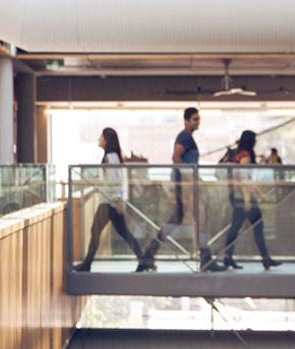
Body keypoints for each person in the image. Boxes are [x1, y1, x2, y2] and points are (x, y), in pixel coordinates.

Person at [138, 107, 223, 273]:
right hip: (186, 187)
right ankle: (204, 257)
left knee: (180, 219)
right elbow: (176, 158)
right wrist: (190, 181)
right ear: (186, 121)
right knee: (199, 219)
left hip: (187, 185)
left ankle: (150, 252)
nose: (197, 122)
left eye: (198, 119)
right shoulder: (184, 137)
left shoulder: (188, 138)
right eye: (194, 119)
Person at [73, 128, 143, 272]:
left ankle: (87, 264)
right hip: (111, 201)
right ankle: (143, 259)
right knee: (123, 232)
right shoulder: (113, 156)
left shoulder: (110, 157)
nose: (99, 139)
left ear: (106, 139)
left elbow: (114, 180)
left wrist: (117, 200)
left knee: (98, 231)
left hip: (109, 202)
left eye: (101, 136)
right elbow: (111, 179)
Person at [221, 129, 281, 270]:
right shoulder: (245, 156)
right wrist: (248, 199)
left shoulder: (239, 154)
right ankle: (265, 259)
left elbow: (246, 179)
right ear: (250, 141)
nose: (256, 142)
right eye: (254, 139)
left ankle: (228, 257)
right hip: (242, 196)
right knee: (256, 225)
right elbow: (243, 178)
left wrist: (259, 195)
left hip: (239, 195)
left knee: (238, 226)